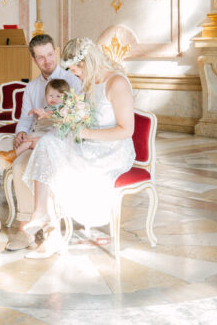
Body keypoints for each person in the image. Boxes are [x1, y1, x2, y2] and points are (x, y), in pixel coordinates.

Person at [0, 34, 81, 252]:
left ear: (55, 52)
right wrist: (20, 134)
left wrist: (40, 140)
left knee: (20, 167)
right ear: (34, 60)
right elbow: (25, 119)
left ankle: (25, 228)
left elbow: (72, 123)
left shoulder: (72, 82)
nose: (47, 61)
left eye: (50, 54)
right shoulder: (32, 87)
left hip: (52, 139)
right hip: (29, 135)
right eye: (41, 57)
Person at [22, 37, 135, 258]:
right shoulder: (91, 82)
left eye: (76, 71)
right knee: (47, 144)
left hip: (112, 151)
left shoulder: (117, 83)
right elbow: (82, 119)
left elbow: (126, 130)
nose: (76, 76)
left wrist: (85, 133)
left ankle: (49, 228)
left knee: (58, 165)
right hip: (89, 143)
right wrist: (64, 121)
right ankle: (43, 216)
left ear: (87, 63)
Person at [0, 79, 70, 164]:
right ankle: (15, 153)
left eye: (58, 96)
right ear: (45, 95)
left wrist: (45, 114)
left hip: (49, 135)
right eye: (50, 95)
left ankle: (14, 154)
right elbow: (41, 118)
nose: (53, 98)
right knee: (26, 139)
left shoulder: (61, 109)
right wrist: (36, 113)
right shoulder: (47, 107)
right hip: (39, 132)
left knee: (28, 141)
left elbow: (55, 116)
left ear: (65, 98)